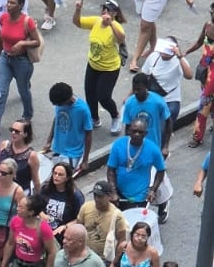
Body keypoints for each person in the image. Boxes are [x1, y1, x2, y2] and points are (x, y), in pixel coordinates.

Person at [73, 0, 125, 134]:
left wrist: (111, 24)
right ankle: (94, 118)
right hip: (93, 64)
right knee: (90, 93)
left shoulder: (116, 26)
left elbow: (121, 39)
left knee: (103, 96)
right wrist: (78, 9)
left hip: (109, 68)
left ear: (114, 13)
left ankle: (115, 116)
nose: (105, 12)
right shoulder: (96, 21)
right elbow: (77, 22)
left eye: (109, 10)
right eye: (104, 9)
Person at [0, 0, 41, 133]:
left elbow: (37, 41)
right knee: (1, 92)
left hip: (22, 61)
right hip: (5, 58)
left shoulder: (27, 21)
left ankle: (28, 115)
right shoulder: (3, 18)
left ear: (20, 5)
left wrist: (22, 43)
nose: (8, 5)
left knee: (23, 90)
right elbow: (3, 36)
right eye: (8, 2)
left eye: (12, 3)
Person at [106, 117, 167, 218]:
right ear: (129, 130)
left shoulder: (153, 149)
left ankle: (163, 204)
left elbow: (161, 170)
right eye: (134, 131)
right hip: (119, 192)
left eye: (140, 132)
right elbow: (111, 170)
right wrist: (113, 192)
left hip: (139, 196)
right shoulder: (118, 145)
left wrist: (153, 190)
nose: (137, 134)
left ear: (146, 133)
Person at [44, 83, 94, 175]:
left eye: (59, 104)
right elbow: (57, 119)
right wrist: (49, 141)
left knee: (63, 181)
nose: (57, 105)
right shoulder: (60, 104)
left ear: (67, 100)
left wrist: (85, 160)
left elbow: (88, 134)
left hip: (72, 154)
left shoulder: (83, 110)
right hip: (57, 149)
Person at [142, 36, 193, 125]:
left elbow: (189, 75)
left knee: (163, 127)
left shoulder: (179, 61)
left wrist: (180, 56)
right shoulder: (154, 56)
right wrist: (130, 95)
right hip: (153, 98)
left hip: (170, 101)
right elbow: (143, 77)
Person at [75, 180, 128, 264]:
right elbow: (78, 230)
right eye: (95, 195)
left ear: (109, 196)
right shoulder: (86, 207)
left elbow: (121, 240)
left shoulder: (117, 216)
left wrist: (115, 262)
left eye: (100, 196)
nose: (96, 199)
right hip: (84, 255)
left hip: (103, 260)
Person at [0, 120, 41, 195]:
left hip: (20, 194)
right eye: (12, 130)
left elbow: (36, 181)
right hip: (1, 190)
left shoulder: (31, 156)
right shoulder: (4, 145)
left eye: (17, 131)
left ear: (25, 134)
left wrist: (39, 200)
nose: (13, 133)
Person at [122, 73, 172, 156]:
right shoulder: (129, 103)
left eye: (139, 89)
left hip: (153, 147)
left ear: (146, 88)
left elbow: (169, 122)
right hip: (136, 148)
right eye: (134, 89)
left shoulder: (158, 102)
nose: (136, 92)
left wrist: (165, 146)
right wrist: (128, 146)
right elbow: (128, 127)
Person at [186, 5, 214, 148]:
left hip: (213, 75)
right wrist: (185, 52)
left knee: (204, 103)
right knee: (210, 102)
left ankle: (197, 136)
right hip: (204, 71)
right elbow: (199, 42)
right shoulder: (207, 26)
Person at [40, 162, 85, 245]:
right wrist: (42, 214)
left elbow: (81, 218)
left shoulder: (76, 196)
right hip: (44, 231)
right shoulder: (45, 189)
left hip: (63, 236)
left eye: (60, 174)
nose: (56, 176)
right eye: (55, 173)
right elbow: (37, 206)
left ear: (67, 178)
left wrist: (66, 226)